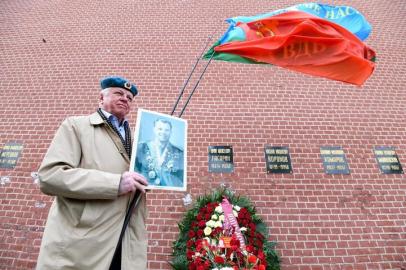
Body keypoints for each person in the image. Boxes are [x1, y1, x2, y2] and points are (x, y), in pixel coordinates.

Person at [36, 76, 148, 270]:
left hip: (126, 244)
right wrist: (114, 184)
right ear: (101, 98)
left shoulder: (138, 139)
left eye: (129, 98)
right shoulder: (76, 126)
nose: (125, 99)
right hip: (82, 245)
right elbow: (50, 176)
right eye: (118, 93)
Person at [135, 118, 184, 188]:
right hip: (144, 191)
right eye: (160, 129)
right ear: (154, 130)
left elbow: (180, 179)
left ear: (171, 132)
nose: (163, 132)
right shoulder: (141, 148)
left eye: (166, 130)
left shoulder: (179, 153)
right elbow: (135, 171)